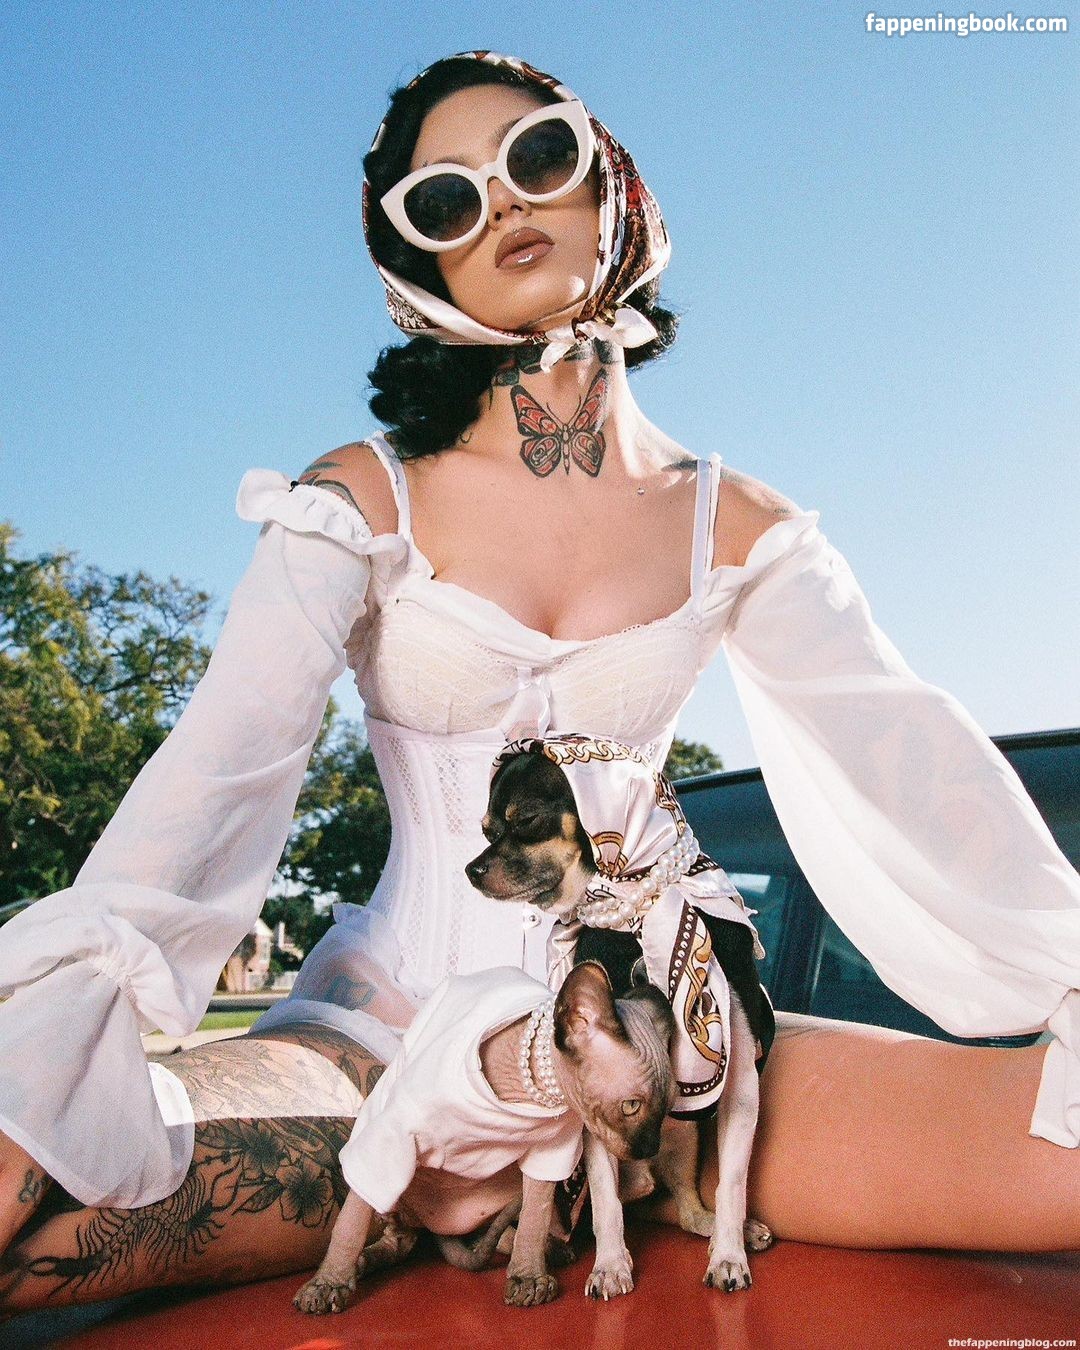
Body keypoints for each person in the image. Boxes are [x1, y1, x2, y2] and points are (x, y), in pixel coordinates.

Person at [1, 51, 1078, 1316]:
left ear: (609, 182)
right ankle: (431, 1195)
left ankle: (558, 1185)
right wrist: (60, 1025)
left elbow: (917, 766)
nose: (503, 202)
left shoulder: (738, 527)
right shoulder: (360, 500)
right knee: (20, 1203)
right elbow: (219, 772)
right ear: (420, 270)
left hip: (657, 1045)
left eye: (538, 155)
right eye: (445, 201)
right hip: (379, 1050)